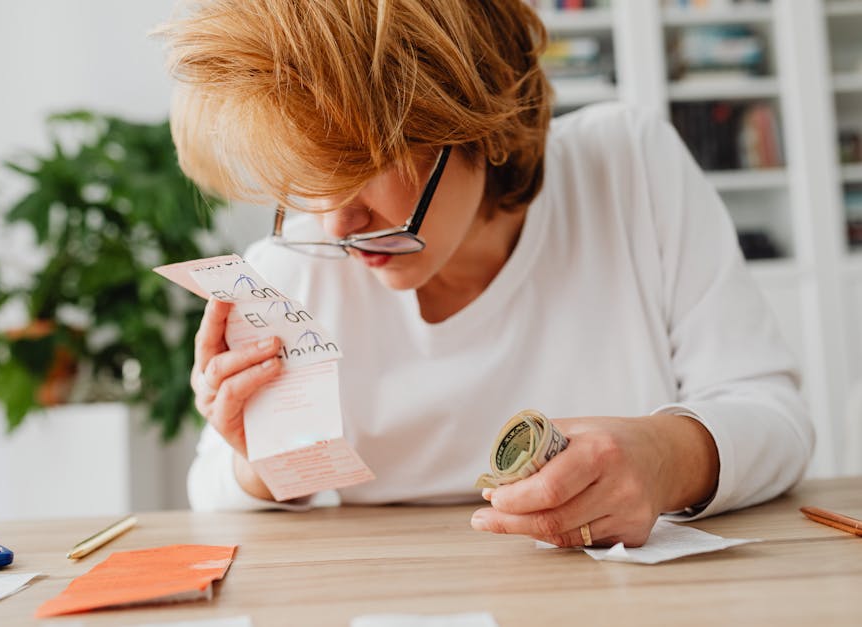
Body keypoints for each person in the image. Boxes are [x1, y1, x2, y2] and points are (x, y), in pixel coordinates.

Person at [159, 0, 814, 548]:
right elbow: (211, 493)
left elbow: (776, 419)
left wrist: (666, 456)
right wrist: (266, 456)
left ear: (481, 116)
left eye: (361, 167)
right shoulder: (293, 269)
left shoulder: (628, 171)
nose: (336, 223)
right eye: (310, 178)